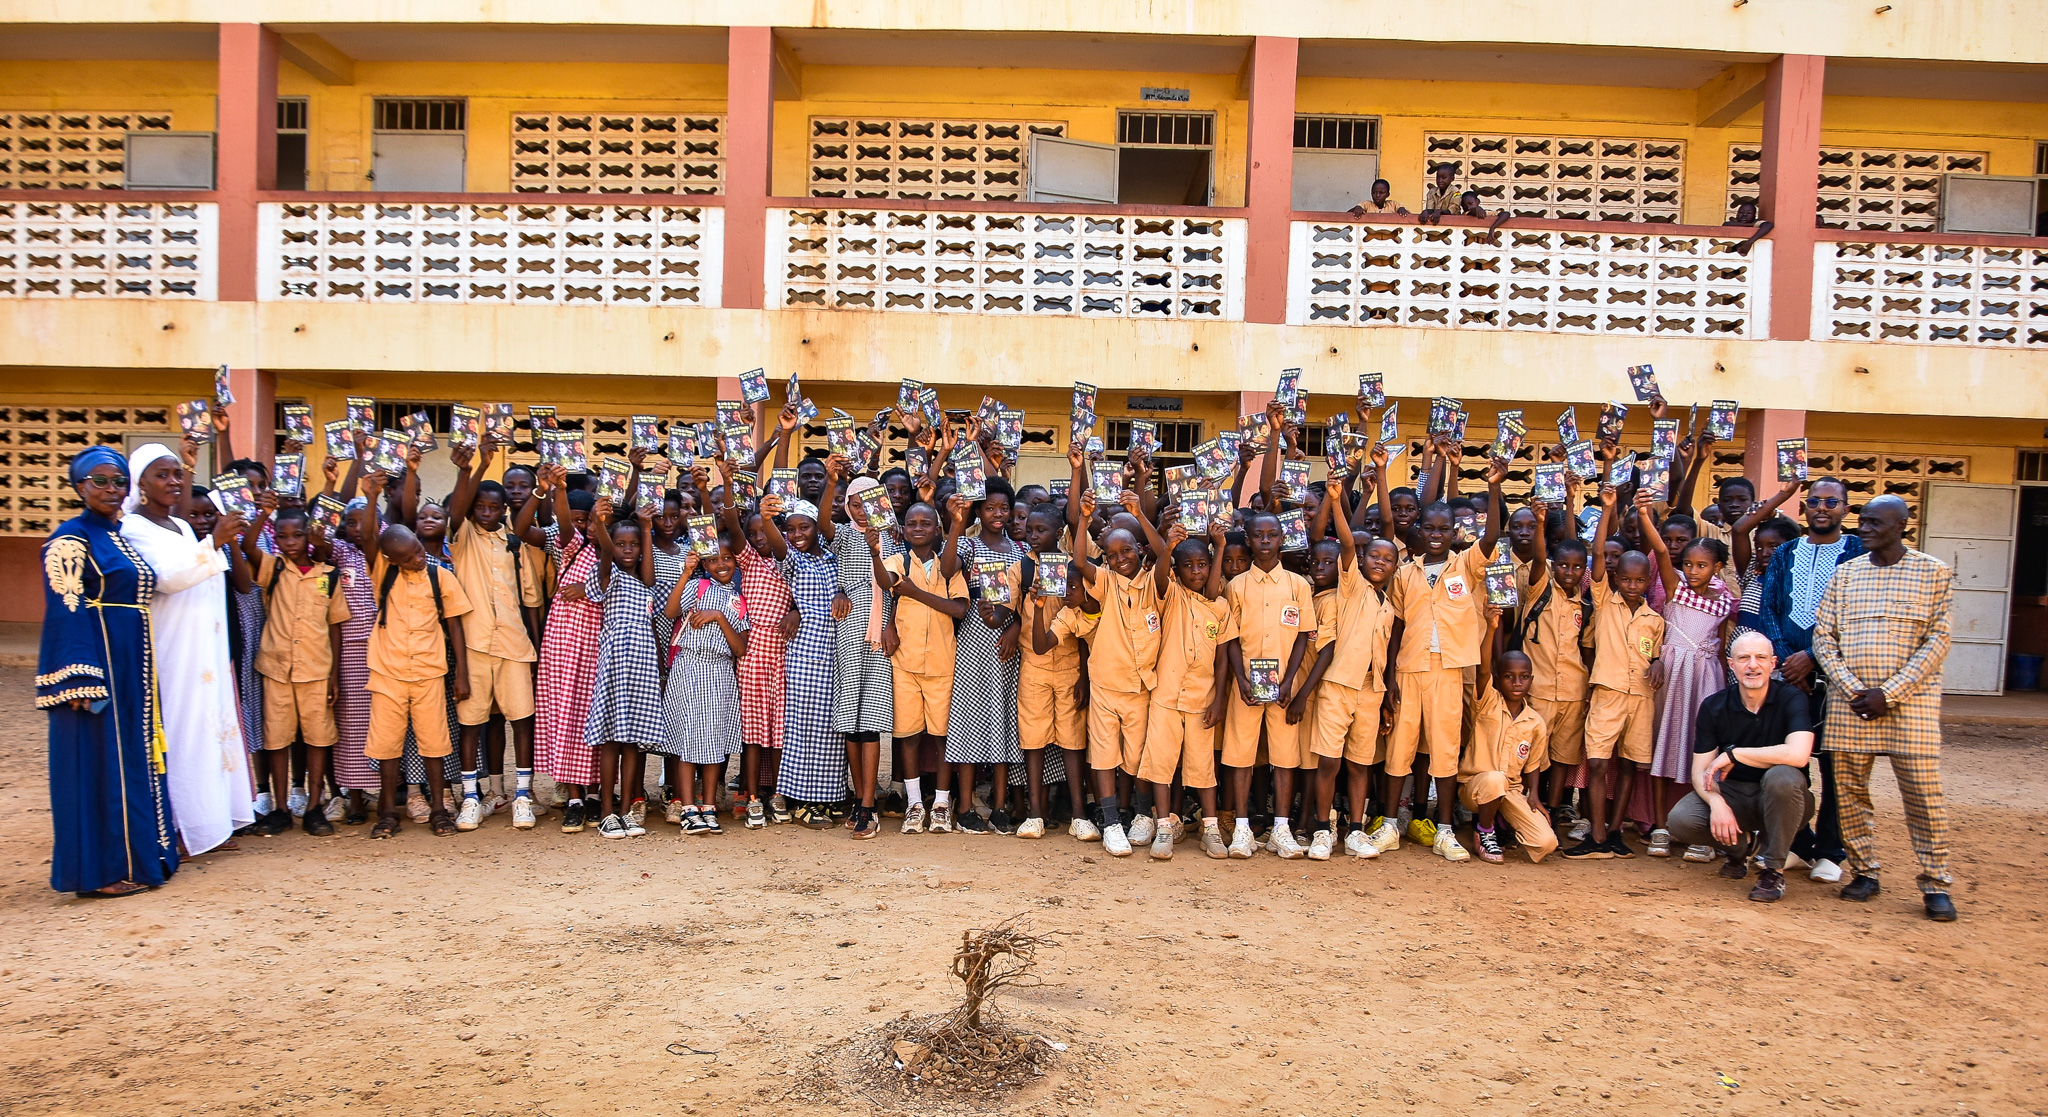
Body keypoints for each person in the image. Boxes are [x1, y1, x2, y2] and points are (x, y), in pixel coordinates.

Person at [40, 446, 181, 896]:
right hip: (97, 668)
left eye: (118, 481)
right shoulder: (71, 538)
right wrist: (80, 677)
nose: (110, 489)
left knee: (134, 759)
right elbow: (65, 609)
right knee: (100, 764)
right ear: (79, 486)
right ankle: (99, 873)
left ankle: (141, 858)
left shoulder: (116, 534)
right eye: (99, 481)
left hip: (131, 666)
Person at [1810, 495, 1958, 922]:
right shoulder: (1846, 575)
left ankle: (1935, 883)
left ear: (1901, 527)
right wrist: (1856, 689)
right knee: (1850, 795)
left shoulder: (1933, 573)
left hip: (1910, 707)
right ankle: (1865, 872)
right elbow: (1824, 637)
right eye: (1864, 521)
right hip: (1850, 704)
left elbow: (1938, 641)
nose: (1865, 528)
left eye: (1875, 522)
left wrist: (1888, 693)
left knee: (1924, 797)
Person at [119, 442, 254, 856]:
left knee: (210, 733)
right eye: (163, 474)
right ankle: (178, 827)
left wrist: (214, 542)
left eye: (177, 473)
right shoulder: (133, 529)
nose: (174, 481)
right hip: (175, 651)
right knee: (183, 733)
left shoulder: (178, 527)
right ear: (140, 483)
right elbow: (166, 578)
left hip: (206, 652)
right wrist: (213, 540)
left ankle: (209, 823)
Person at [1378, 460, 1507, 861]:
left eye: (1444, 530)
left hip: (1450, 670)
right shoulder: (1405, 573)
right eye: (1430, 529)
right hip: (1410, 669)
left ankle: (1446, 830)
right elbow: (1396, 627)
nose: (1436, 535)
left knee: (1445, 751)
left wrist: (1494, 486)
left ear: (1455, 533)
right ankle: (1388, 826)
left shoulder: (1465, 565)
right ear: (1419, 532)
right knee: (1400, 749)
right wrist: (1390, 675)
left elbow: (1490, 539)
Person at [1748, 476, 1862, 883]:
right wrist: (1787, 662)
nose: (1822, 507)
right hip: (1787, 678)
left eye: (1832, 501)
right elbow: (1770, 611)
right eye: (1815, 501)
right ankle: (1799, 843)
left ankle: (1832, 850)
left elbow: (1856, 616)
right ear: (1805, 508)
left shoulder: (1858, 551)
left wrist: (1813, 658)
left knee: (1835, 766)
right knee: (1790, 762)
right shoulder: (1785, 553)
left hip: (1836, 677)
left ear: (1846, 509)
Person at [357, 471, 472, 839]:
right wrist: (372, 497)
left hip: (429, 672)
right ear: (392, 559)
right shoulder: (383, 572)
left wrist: (462, 673)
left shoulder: (441, 576)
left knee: (434, 743)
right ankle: (388, 811)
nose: (418, 559)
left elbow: (455, 626)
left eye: (419, 552)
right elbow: (367, 540)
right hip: (388, 673)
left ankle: (439, 809)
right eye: (408, 558)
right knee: (387, 747)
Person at [1665, 632, 1816, 903]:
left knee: (1782, 776)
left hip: (1785, 798)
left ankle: (1773, 870)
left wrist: (1735, 755)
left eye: (1760, 658)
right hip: (1735, 795)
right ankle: (1740, 850)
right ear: (1731, 664)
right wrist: (1716, 804)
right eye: (1744, 658)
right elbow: (1700, 772)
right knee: (1681, 819)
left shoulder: (1792, 699)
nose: (1752, 665)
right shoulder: (1714, 706)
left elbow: (1799, 755)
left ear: (1773, 663)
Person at [445, 436, 545, 831]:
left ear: (504, 510)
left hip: (514, 645)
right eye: (480, 507)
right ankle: (473, 796)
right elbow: (456, 510)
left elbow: (531, 599)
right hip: (474, 645)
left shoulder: (514, 542)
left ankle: (522, 794)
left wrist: (536, 650)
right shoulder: (463, 537)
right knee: (472, 723)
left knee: (522, 719)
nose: (486, 513)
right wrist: (476, 465)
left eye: (494, 508)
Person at [1562, 481, 1666, 860]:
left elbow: (1654, 656)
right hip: (1606, 693)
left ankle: (1616, 831)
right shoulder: (1604, 601)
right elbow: (1596, 556)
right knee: (1598, 761)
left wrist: (1659, 662)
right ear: (1615, 578)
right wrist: (1607, 509)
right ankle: (1597, 832)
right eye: (1626, 579)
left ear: (1648, 581)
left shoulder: (1655, 619)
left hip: (1641, 698)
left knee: (1630, 765)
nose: (1632, 585)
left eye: (1639, 580)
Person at [1300, 465, 1398, 861]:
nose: (1378, 562)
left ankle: (1355, 829)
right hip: (1339, 686)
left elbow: (1387, 652)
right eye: (1371, 555)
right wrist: (1337, 500)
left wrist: (1388, 694)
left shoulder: (1389, 604)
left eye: (1386, 559)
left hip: (1371, 692)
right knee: (1329, 761)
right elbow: (1343, 544)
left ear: (1394, 567)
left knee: (1360, 764)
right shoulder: (1352, 588)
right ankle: (1324, 829)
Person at [1068, 445, 1161, 858]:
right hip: (1106, 686)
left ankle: (1142, 815)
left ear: (1140, 552)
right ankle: (1110, 824)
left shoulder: (1155, 583)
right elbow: (1081, 563)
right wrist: (1085, 517)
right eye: (1112, 554)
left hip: (1142, 687)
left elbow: (1165, 554)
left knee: (1139, 756)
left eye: (1128, 552)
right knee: (1104, 756)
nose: (1120, 559)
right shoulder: (1103, 580)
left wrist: (1140, 513)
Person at [241, 502, 351, 837]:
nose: (290, 542)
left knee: (318, 739)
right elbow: (247, 546)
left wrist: (334, 675)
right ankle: (280, 808)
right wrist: (262, 515)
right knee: (278, 739)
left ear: (309, 536)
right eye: (283, 536)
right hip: (277, 669)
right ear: (275, 538)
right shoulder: (273, 568)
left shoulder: (328, 576)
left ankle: (315, 806)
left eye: (298, 535)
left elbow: (335, 627)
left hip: (317, 671)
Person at [1637, 494, 1736, 860]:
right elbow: (1662, 553)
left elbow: (1723, 639)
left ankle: (1702, 831)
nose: (1693, 571)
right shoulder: (1676, 586)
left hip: (1706, 678)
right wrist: (1645, 514)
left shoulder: (1726, 600)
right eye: (1690, 564)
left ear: (1718, 567)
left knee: (1702, 748)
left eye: (1702, 565)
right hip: (1673, 674)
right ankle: (1661, 825)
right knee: (1665, 746)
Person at [1219, 507, 1319, 859]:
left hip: (1283, 686)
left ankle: (1281, 828)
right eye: (1258, 535)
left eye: (1272, 535)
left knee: (1285, 756)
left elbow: (1305, 636)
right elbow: (1230, 638)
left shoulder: (1297, 585)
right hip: (1246, 683)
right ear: (1248, 539)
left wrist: (1291, 680)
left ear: (1282, 539)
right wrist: (1241, 679)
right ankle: (1243, 828)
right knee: (1241, 754)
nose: (1265, 541)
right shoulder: (1236, 586)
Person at [940, 483, 1027, 835]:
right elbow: (947, 571)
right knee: (969, 722)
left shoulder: (1021, 549)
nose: (997, 514)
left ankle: (1000, 806)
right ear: (979, 511)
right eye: (989, 508)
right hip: (974, 641)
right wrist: (957, 523)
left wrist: (1015, 627)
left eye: (1003, 508)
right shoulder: (969, 545)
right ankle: (964, 807)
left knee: (1003, 721)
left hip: (1008, 643)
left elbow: (1026, 602)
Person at [878, 500, 968, 836]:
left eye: (926, 523)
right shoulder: (899, 560)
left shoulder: (948, 566)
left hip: (943, 663)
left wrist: (914, 592)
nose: (918, 528)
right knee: (909, 735)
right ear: (903, 529)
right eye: (912, 523)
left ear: (937, 529)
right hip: (906, 664)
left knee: (943, 736)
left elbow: (958, 609)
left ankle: (942, 803)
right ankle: (915, 803)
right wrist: (875, 551)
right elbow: (885, 579)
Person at [581, 497, 668, 839]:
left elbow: (649, 575)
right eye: (621, 544)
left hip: (643, 665)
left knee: (632, 742)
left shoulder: (644, 580)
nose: (627, 550)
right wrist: (600, 523)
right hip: (617, 662)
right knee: (611, 740)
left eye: (633, 545)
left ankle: (625, 811)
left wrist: (646, 529)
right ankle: (605, 811)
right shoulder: (609, 573)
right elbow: (605, 552)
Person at [523, 469, 604, 832]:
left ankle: (596, 793)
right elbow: (524, 529)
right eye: (572, 519)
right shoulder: (566, 542)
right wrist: (554, 488)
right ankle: (573, 797)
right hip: (564, 639)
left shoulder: (609, 545)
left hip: (598, 639)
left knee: (595, 715)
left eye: (585, 519)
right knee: (567, 713)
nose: (580, 525)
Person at [756, 492, 843, 826]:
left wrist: (841, 592)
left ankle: (830, 795)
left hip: (833, 653)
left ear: (817, 528)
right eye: (790, 529)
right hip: (804, 654)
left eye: (803, 527)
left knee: (830, 731)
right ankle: (805, 800)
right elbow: (778, 546)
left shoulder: (834, 558)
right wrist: (767, 519)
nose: (796, 535)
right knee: (804, 729)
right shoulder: (792, 559)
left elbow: (848, 585)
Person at [661, 537, 750, 836]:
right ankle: (688, 808)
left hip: (720, 671)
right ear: (704, 563)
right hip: (689, 667)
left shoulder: (738, 600)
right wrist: (686, 573)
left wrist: (719, 617)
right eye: (712, 559)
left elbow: (740, 649)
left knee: (713, 743)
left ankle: (709, 807)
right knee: (688, 739)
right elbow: (671, 612)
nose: (721, 564)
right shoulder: (697, 587)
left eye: (726, 558)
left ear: (736, 562)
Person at [1019, 505, 1095, 840]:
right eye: (1030, 530)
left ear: (1058, 532)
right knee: (1033, 740)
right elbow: (1004, 613)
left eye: (1041, 531)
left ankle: (1079, 814)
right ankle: (1036, 813)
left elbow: (1082, 625)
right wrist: (994, 612)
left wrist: (1084, 676)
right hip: (1033, 666)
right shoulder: (1020, 568)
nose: (1034, 536)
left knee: (1072, 740)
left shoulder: (1072, 567)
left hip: (1069, 666)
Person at [1461, 603, 1558, 864]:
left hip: (1511, 791)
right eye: (1509, 677)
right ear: (1498, 678)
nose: (1517, 683)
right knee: (1494, 779)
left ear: (1531, 679)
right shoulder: (1488, 702)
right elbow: (1482, 669)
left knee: (1547, 842)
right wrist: (1491, 629)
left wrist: (1535, 796)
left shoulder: (1535, 722)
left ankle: (1505, 821)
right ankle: (1485, 831)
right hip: (1477, 787)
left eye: (1523, 677)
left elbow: (1534, 764)